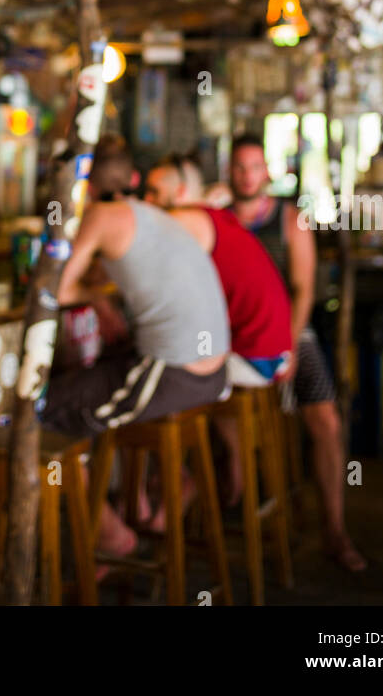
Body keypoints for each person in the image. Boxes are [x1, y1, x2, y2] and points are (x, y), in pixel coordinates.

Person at [42, 138, 230, 559]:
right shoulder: (156, 216)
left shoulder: (100, 215)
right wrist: (101, 295)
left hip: (176, 371)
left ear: (85, 186)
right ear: (131, 180)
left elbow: (56, 288)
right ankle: (147, 497)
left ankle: (111, 535)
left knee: (44, 412)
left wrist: (95, 297)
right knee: (97, 383)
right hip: (212, 371)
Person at [228, 133, 366, 572]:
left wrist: (285, 345)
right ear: (229, 172)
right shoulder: (217, 219)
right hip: (231, 341)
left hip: (289, 335)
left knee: (325, 419)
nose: (247, 175)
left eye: (254, 167)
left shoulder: (289, 220)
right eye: (239, 167)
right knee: (211, 404)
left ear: (266, 173)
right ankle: (237, 486)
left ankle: (334, 528)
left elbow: (304, 290)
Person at [145, 157, 292, 504]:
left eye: (153, 193)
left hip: (254, 355)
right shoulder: (213, 217)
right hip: (271, 353)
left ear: (179, 193)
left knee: (160, 376)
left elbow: (151, 283)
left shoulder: (183, 221)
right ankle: (234, 482)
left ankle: (177, 488)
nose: (145, 202)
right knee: (176, 367)